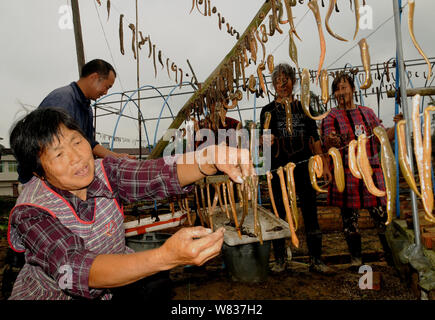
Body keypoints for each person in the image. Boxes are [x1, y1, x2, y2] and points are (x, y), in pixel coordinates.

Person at [7, 107, 254, 300]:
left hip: (114, 286)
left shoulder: (107, 172)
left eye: (77, 141)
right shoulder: (31, 211)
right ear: (38, 172)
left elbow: (153, 173)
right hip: (54, 294)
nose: (77, 158)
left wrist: (206, 160)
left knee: (157, 285)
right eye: (59, 154)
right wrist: (164, 256)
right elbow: (76, 268)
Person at [320, 72, 402, 267]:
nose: (341, 92)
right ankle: (356, 260)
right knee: (350, 222)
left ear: (353, 89)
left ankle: (392, 259)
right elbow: (326, 142)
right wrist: (331, 140)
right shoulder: (331, 116)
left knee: (382, 218)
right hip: (347, 175)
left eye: (344, 87)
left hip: (372, 173)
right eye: (337, 89)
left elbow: (385, 137)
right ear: (333, 94)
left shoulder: (368, 113)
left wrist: (397, 125)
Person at [260, 63, 334, 274]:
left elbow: (315, 139)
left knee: (310, 211)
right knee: (279, 213)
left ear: (293, 82)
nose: (282, 84)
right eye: (278, 80)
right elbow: (263, 142)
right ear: (273, 84)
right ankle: (281, 259)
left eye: (286, 79)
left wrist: (325, 165)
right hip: (278, 170)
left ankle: (316, 260)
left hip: (305, 167)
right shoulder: (268, 111)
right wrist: (267, 141)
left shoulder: (303, 107)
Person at [17, 59, 133, 185]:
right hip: (42, 179)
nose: (105, 92)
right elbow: (47, 147)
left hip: (62, 177)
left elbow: (90, 143)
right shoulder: (62, 100)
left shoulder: (86, 107)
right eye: (107, 87)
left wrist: (116, 157)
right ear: (94, 77)